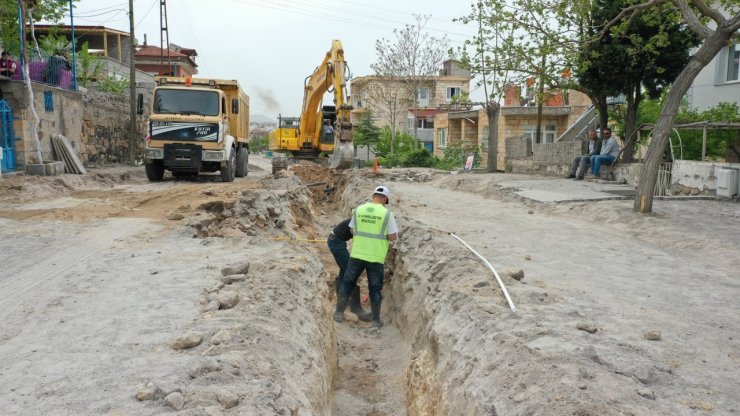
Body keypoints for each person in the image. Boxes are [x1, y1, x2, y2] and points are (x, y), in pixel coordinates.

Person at [334, 185, 398, 328]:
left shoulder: (358, 210)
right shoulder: (387, 214)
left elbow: (351, 229)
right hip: (375, 257)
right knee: (374, 289)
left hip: (357, 254)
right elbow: (393, 237)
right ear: (385, 199)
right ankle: (375, 321)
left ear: (373, 196)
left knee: (347, 283)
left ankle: (338, 312)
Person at [327, 218, 372, 321]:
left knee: (345, 271)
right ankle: (355, 308)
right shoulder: (360, 218)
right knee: (350, 272)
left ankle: (343, 303)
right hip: (336, 242)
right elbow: (354, 232)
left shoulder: (365, 219)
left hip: (337, 241)